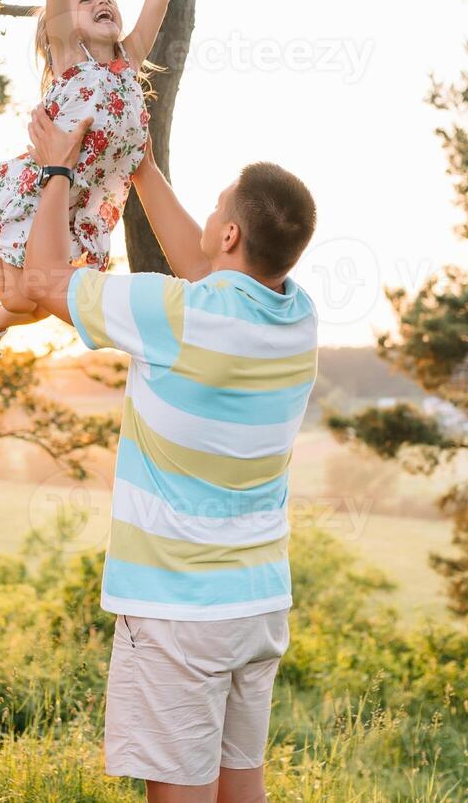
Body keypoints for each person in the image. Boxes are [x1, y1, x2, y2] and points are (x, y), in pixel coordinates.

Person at [18, 110, 320, 802]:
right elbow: (208, 268)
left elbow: (41, 279)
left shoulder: (176, 315)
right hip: (257, 603)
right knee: (241, 786)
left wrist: (58, 168)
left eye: (216, 206)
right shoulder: (295, 317)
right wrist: (143, 169)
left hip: (181, 609)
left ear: (231, 234)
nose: (209, 215)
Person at [0, 0, 202, 379]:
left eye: (107, 0)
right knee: (20, 295)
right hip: (43, 192)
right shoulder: (69, 58)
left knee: (41, 303)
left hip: (85, 207)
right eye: (86, 1)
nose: (101, 3)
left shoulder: (129, 60)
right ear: (62, 24)